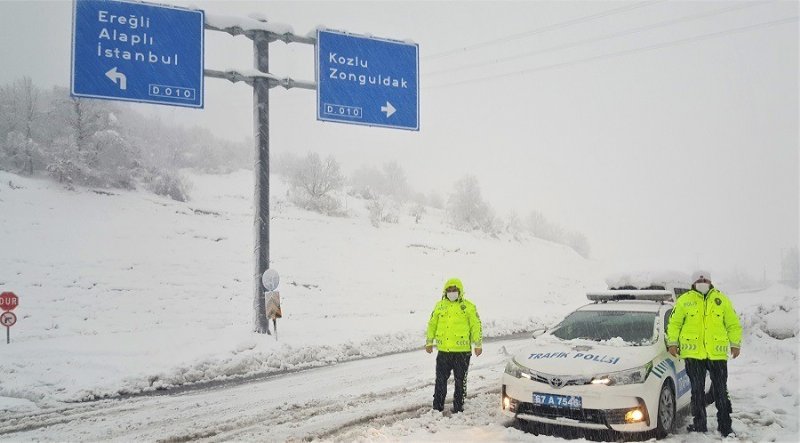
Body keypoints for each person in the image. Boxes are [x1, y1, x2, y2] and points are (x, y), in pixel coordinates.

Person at [667, 271, 742, 437]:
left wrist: (735, 344)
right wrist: (672, 343)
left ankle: (725, 426)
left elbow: (733, 324)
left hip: (717, 355)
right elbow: (674, 324)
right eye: (699, 279)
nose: (703, 281)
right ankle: (699, 424)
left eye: (706, 279)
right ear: (693, 282)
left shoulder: (721, 300)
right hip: (694, 355)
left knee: (721, 391)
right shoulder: (684, 301)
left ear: (710, 281)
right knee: (697, 391)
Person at [425, 277, 482, 413]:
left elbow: (476, 326)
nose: (452, 292)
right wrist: (429, 342)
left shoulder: (468, 306)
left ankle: (458, 406)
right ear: (445, 291)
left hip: (462, 352)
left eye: (454, 290)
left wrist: (478, 344)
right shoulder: (439, 306)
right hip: (444, 351)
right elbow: (432, 324)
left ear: (460, 291)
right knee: (440, 381)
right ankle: (437, 407)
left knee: (460, 381)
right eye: (449, 290)